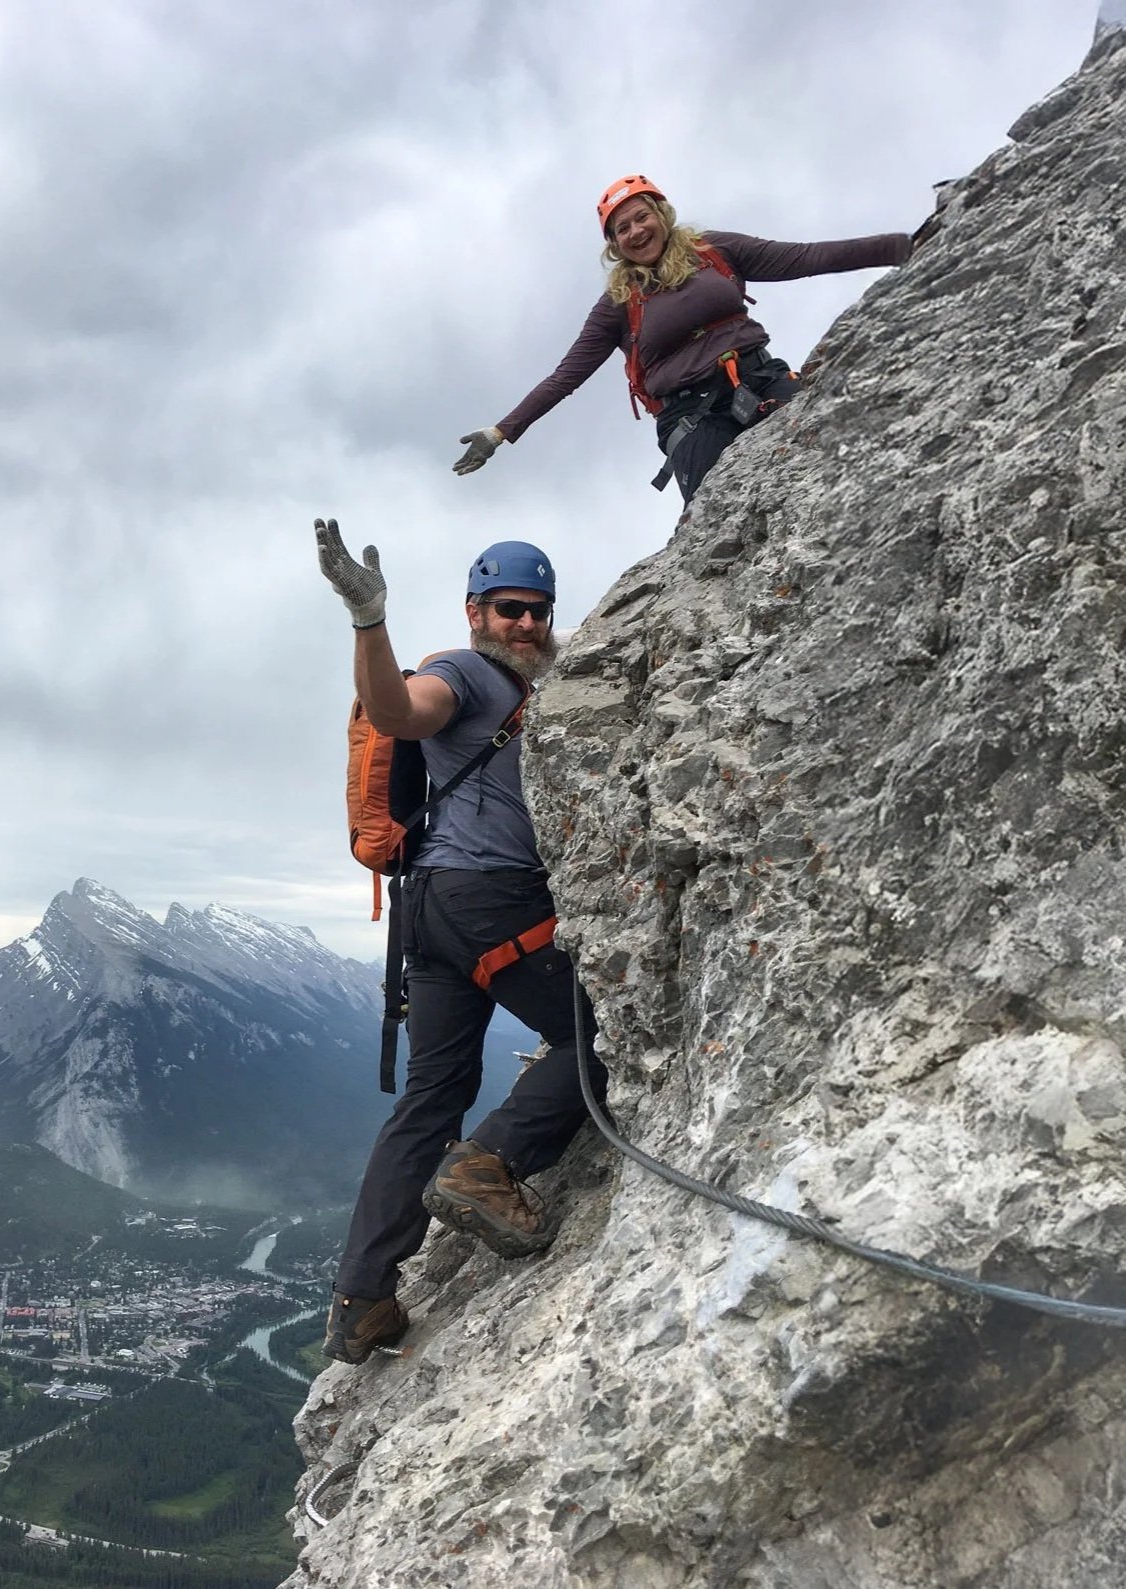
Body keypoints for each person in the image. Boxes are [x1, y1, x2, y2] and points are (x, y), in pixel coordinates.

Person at [313, 518, 607, 1365]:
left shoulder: (531, 679)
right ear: (476, 610)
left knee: (431, 1093)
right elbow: (399, 712)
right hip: (488, 899)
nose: (526, 624)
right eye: (510, 608)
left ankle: (362, 1297)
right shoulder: (465, 675)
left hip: (430, 914)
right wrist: (369, 619)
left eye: (538, 611)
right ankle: (486, 1165)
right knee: (605, 1032)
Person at [453, 173, 913, 503]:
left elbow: (804, 258)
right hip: (692, 417)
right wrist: (501, 432)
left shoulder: (713, 251)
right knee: (721, 510)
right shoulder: (618, 302)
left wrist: (900, 248)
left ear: (661, 214)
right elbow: (565, 377)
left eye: (641, 217)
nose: (636, 232)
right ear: (614, 244)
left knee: (835, 447)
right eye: (622, 228)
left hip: (760, 379)